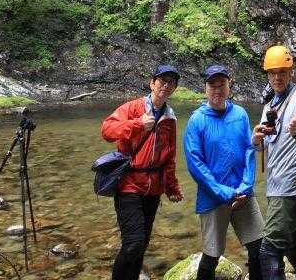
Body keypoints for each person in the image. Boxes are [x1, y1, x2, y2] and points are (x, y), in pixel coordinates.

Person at [100, 64, 185, 280]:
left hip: (153, 189)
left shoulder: (170, 118)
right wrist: (137, 124)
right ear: (152, 84)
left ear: (174, 88)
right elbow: (107, 131)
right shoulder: (133, 108)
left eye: (171, 82)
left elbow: (169, 155)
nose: (166, 85)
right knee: (133, 243)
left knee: (142, 244)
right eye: (162, 81)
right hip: (129, 185)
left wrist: (171, 187)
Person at [183, 64, 265, 280]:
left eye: (222, 85)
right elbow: (196, 164)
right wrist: (225, 193)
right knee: (212, 255)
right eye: (213, 86)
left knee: (259, 248)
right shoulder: (197, 121)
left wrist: (245, 187)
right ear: (205, 88)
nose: (217, 90)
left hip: (244, 194)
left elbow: (249, 150)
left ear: (230, 86)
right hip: (213, 197)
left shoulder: (240, 114)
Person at [252, 45, 296, 280]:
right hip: (275, 186)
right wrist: (256, 140)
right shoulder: (269, 105)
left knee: (269, 251)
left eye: (282, 72)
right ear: (267, 74)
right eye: (272, 73)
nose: (277, 77)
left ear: (291, 72)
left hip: (290, 188)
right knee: (294, 249)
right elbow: (264, 145)